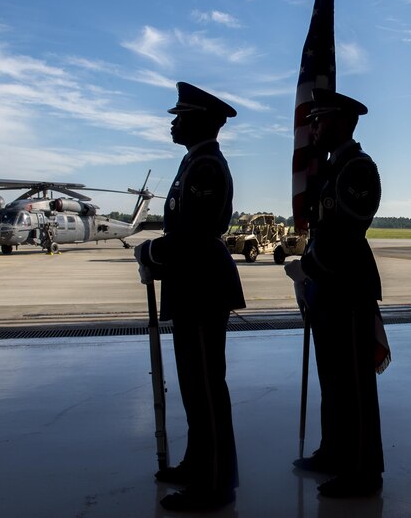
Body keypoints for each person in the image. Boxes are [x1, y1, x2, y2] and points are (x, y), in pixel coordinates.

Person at [134, 81, 245, 510]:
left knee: (205, 387)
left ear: (198, 120)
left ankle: (215, 482)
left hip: (202, 286)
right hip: (191, 285)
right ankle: (198, 462)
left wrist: (150, 250)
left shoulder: (207, 168)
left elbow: (196, 235)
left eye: (180, 116)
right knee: (193, 387)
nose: (174, 123)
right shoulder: (194, 164)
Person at [285, 88, 385, 498]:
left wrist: (308, 268)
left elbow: (346, 234)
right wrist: (308, 275)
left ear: (343, 122)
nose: (312, 128)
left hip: (348, 287)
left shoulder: (358, 168)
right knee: (332, 378)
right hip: (327, 288)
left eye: (319, 120)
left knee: (354, 382)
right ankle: (334, 450)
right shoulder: (329, 169)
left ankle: (362, 469)